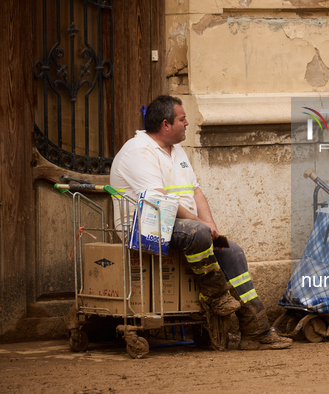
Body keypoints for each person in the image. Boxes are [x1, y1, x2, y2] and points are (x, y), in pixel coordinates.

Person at [110, 95, 292, 350]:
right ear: (166, 124)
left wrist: (210, 225)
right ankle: (217, 297)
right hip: (144, 226)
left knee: (231, 250)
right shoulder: (138, 151)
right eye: (182, 119)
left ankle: (256, 331)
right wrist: (200, 225)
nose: (187, 123)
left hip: (180, 226)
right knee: (197, 233)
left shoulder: (177, 150)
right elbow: (160, 202)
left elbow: (195, 191)